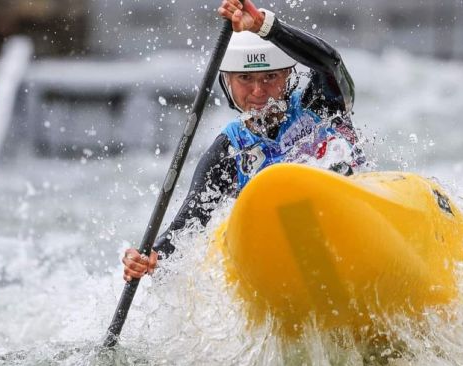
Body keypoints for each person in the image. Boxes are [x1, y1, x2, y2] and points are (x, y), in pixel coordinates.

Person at [122, 0, 365, 281]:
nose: (259, 91)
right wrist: (152, 257)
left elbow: (331, 64)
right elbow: (189, 223)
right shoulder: (228, 151)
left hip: (346, 222)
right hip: (287, 261)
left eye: (270, 77)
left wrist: (267, 27)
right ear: (227, 82)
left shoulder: (320, 102)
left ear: (288, 75)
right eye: (245, 78)